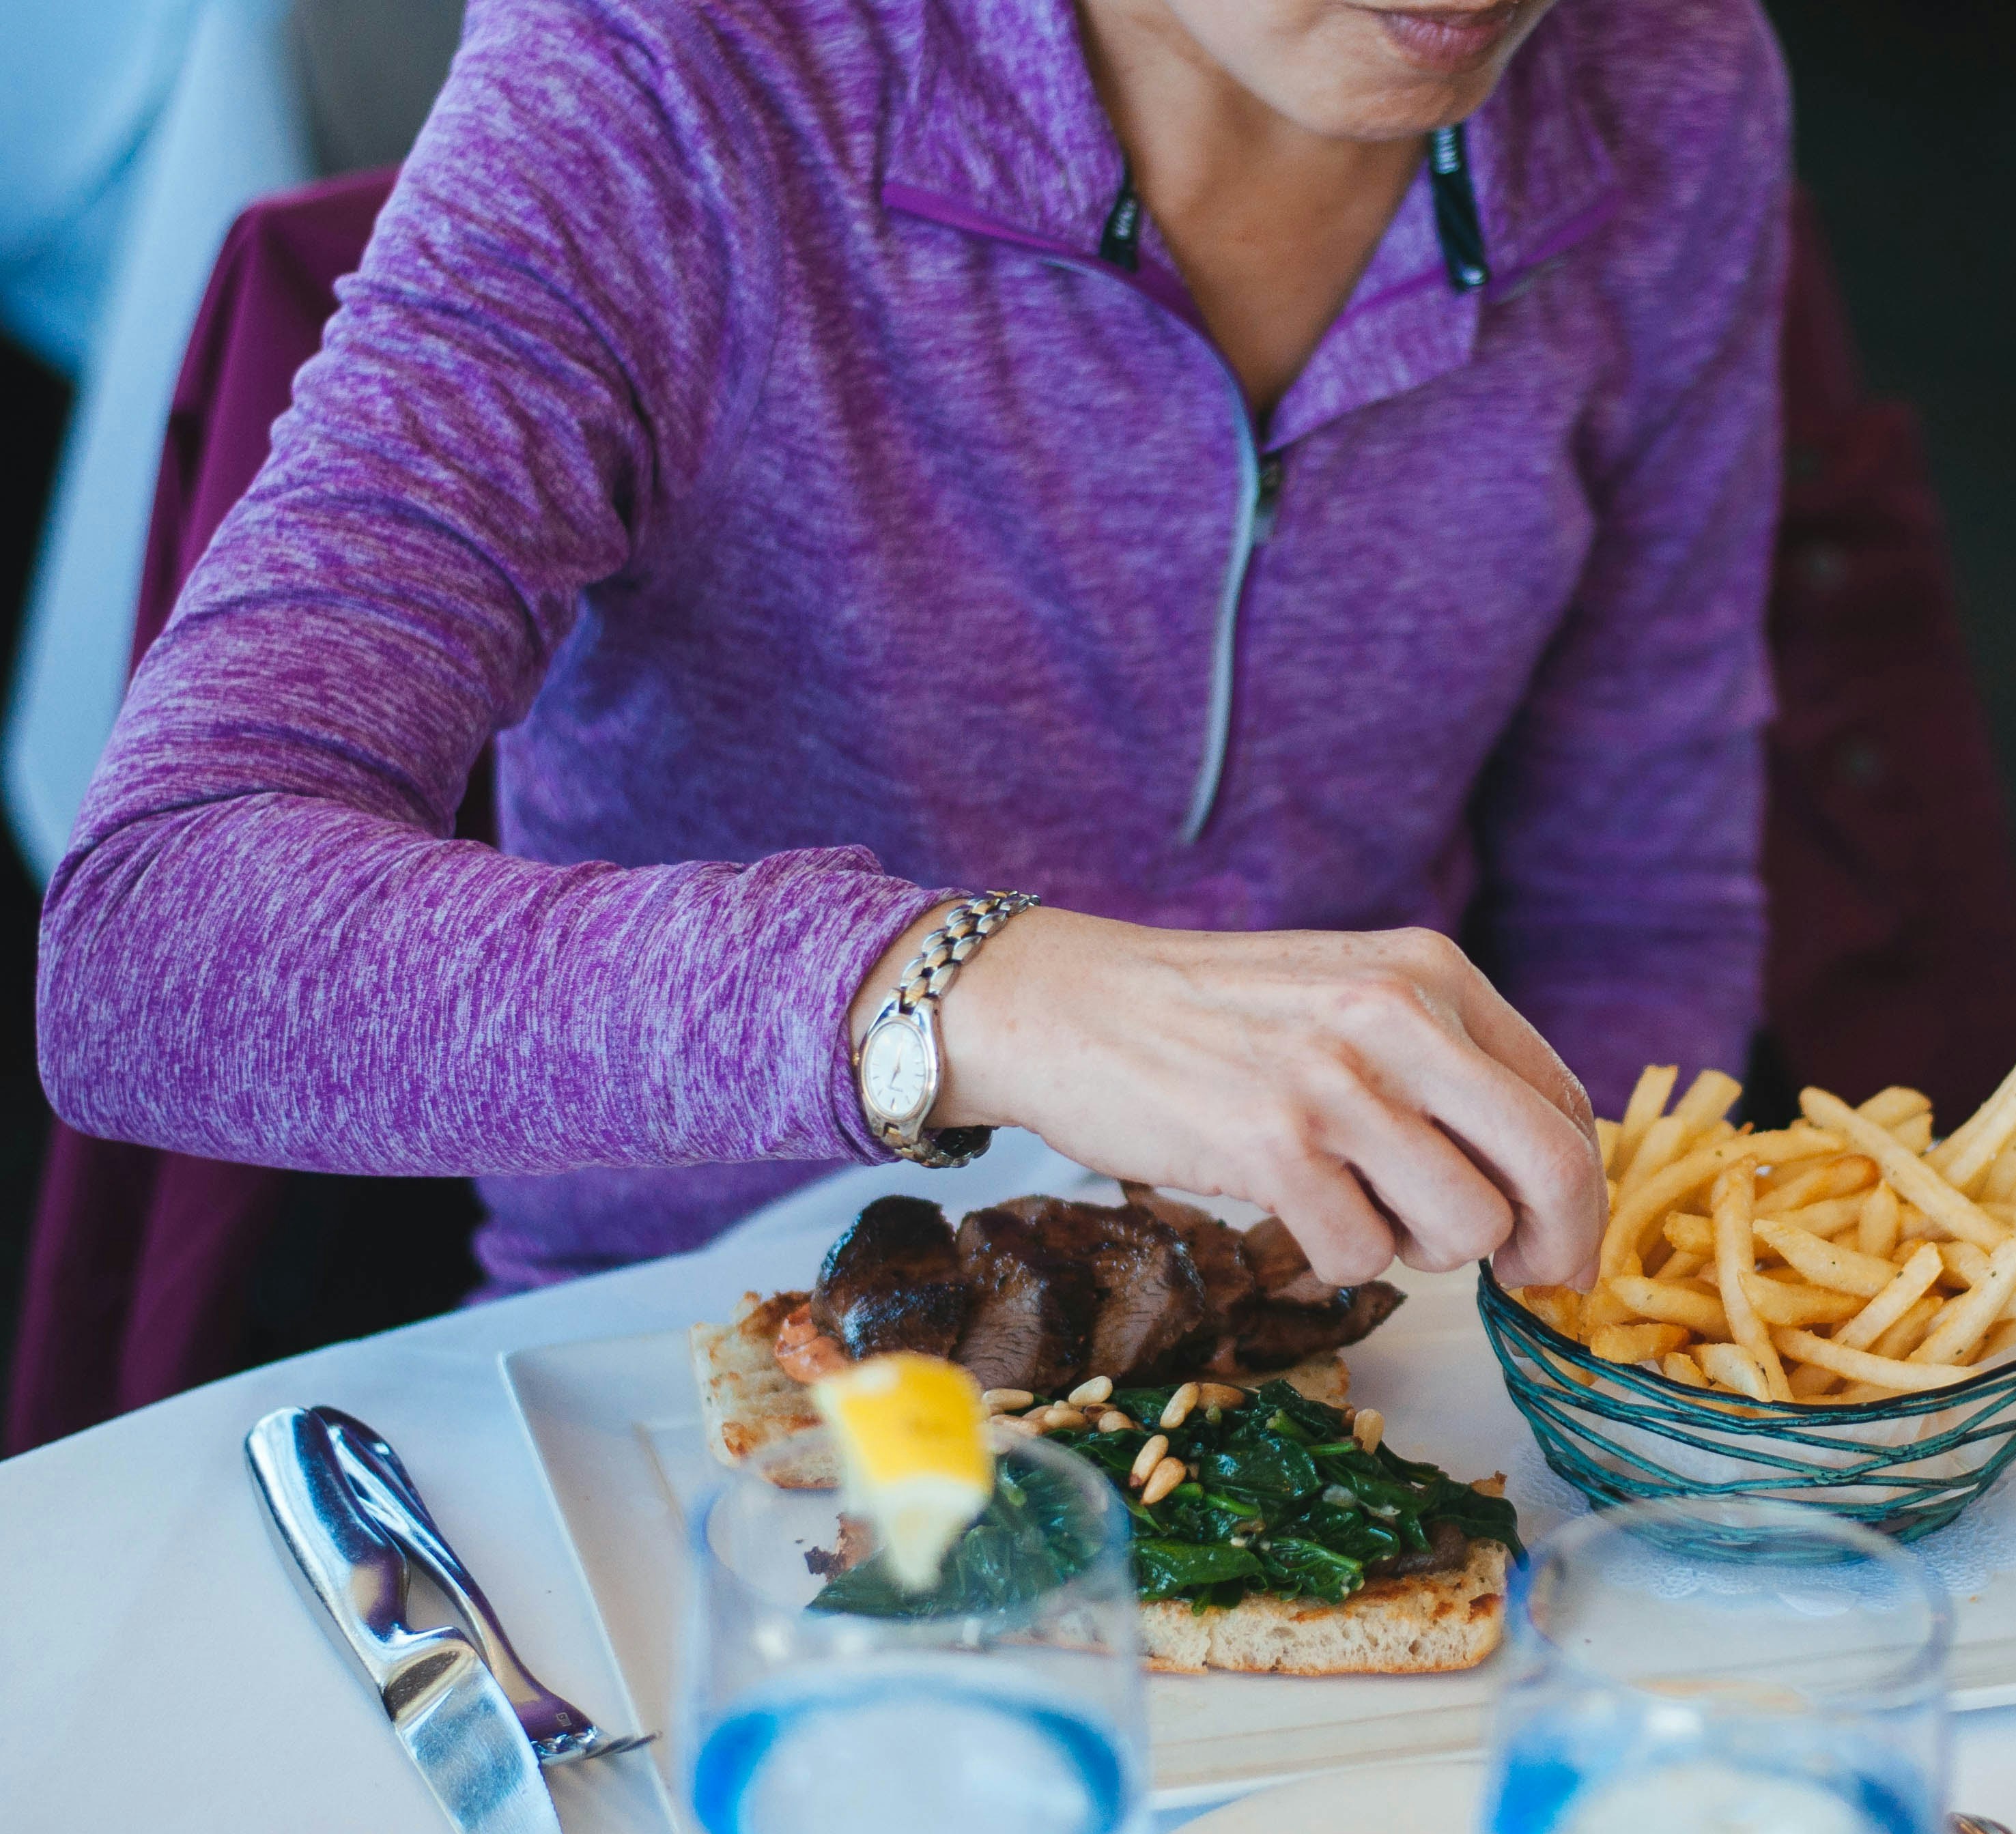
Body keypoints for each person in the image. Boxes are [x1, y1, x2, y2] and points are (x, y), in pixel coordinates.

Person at [33, 0, 1789, 1302]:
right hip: (704, 1384)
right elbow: (152, 941)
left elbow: (1642, 898)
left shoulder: (1670, 82)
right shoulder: (673, 70)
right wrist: (961, 987)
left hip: (1354, 1344)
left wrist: (1553, 1323)